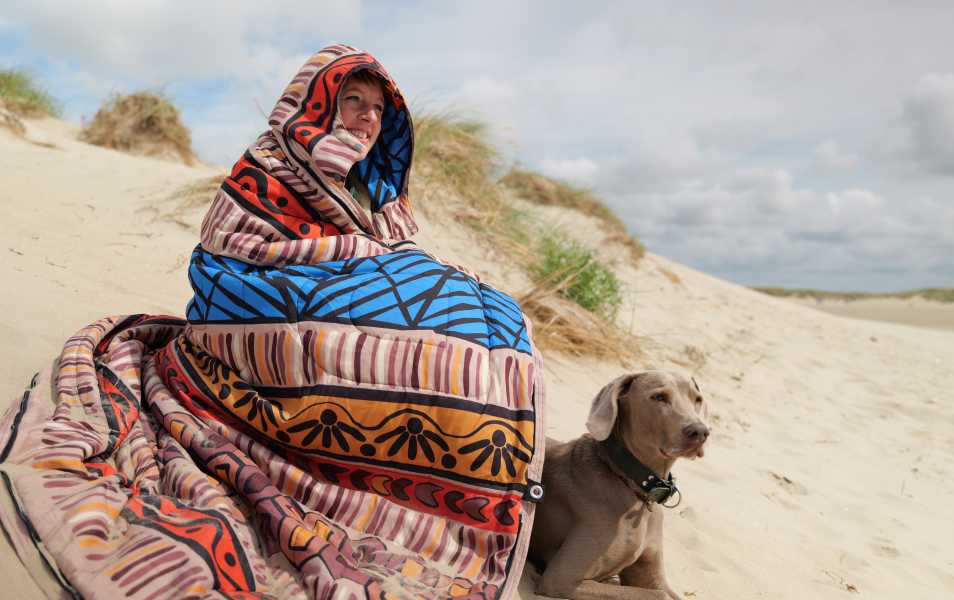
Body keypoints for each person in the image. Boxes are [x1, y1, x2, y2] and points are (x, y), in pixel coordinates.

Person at [0, 44, 545, 599]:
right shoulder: (268, 167)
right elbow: (229, 265)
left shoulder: (377, 194)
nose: (366, 117)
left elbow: (387, 274)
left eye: (377, 109)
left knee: (470, 341)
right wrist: (354, 279)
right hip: (242, 352)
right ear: (313, 104)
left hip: (322, 329)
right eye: (351, 100)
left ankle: (451, 501)